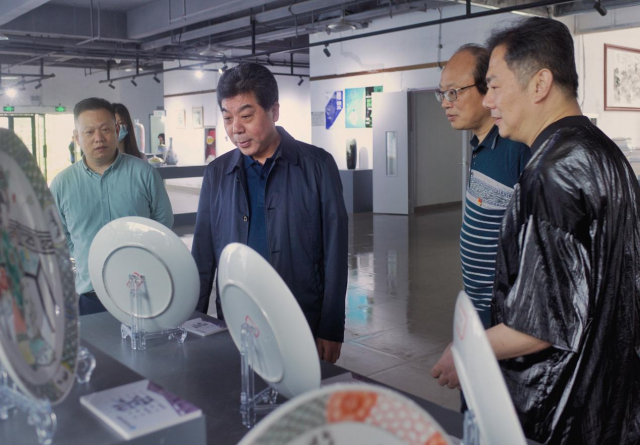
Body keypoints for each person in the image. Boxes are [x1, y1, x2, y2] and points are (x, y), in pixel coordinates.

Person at [431, 18, 640, 445]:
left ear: (540, 83)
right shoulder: (603, 153)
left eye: (494, 85)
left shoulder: (551, 171)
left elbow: (540, 325)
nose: (489, 100)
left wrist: (467, 348)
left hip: (564, 409)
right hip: (610, 401)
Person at [192, 63, 348, 363]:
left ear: (274, 111)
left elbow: (335, 252)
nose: (236, 129)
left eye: (246, 116)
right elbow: (202, 254)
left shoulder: (317, 166)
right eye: (227, 118)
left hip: (300, 316)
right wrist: (194, 319)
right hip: (237, 316)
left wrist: (331, 327)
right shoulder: (217, 173)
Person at [436, 44, 530, 329]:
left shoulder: (516, 149)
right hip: (479, 306)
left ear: (488, 89)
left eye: (454, 92)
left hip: (506, 314)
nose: (445, 103)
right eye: (442, 94)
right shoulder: (481, 146)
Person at [51, 98, 174, 316]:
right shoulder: (62, 184)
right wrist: (84, 251)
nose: (98, 138)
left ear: (117, 130)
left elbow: (163, 225)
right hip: (90, 296)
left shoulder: (144, 174)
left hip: (141, 291)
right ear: (77, 137)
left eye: (105, 129)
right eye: (89, 132)